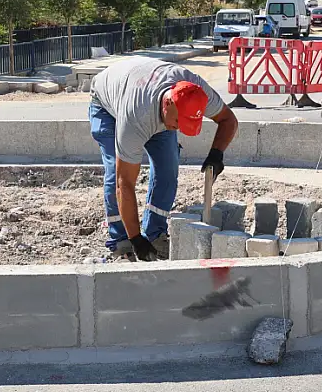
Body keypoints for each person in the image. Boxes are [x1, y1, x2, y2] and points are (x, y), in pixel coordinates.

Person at [89, 56, 238, 261]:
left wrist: (217, 153)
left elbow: (228, 119)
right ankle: (121, 241)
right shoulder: (136, 117)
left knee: (168, 169)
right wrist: (135, 238)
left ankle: (155, 233)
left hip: (149, 96)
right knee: (116, 173)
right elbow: (125, 184)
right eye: (178, 122)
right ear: (168, 104)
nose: (178, 127)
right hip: (107, 104)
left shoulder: (197, 93)